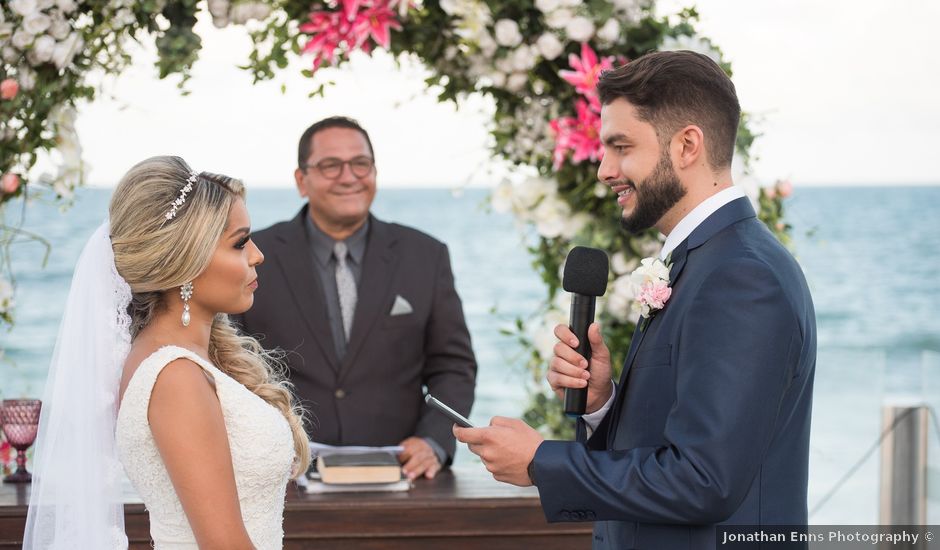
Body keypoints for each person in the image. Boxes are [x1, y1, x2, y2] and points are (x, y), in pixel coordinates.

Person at [454, 51, 817, 549]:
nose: (605, 170)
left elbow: (704, 482)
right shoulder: (707, 259)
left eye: (621, 147)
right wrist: (605, 404)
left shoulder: (741, 276)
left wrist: (541, 462)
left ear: (687, 144)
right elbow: (680, 443)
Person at [23, 156, 310, 549]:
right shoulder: (175, 378)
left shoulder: (179, 360)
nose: (257, 254)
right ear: (186, 261)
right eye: (240, 242)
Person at [233, 116, 477, 480]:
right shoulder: (254, 255)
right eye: (331, 165)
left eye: (360, 163)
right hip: (283, 477)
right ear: (302, 181)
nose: (349, 177)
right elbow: (230, 364)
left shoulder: (425, 255)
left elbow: (453, 366)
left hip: (402, 476)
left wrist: (434, 441)